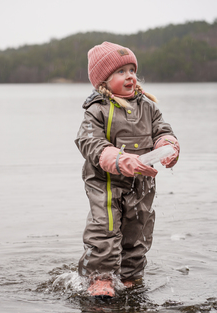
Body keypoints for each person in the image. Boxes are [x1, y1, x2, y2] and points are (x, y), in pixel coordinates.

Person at [75, 42, 180, 297]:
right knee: (105, 229)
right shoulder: (97, 109)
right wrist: (121, 159)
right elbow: (88, 141)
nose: (130, 76)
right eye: (121, 71)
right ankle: (100, 278)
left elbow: (163, 130)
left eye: (132, 69)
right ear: (104, 80)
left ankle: (131, 276)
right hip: (105, 184)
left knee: (139, 229)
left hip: (141, 183)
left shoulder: (148, 106)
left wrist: (168, 147)